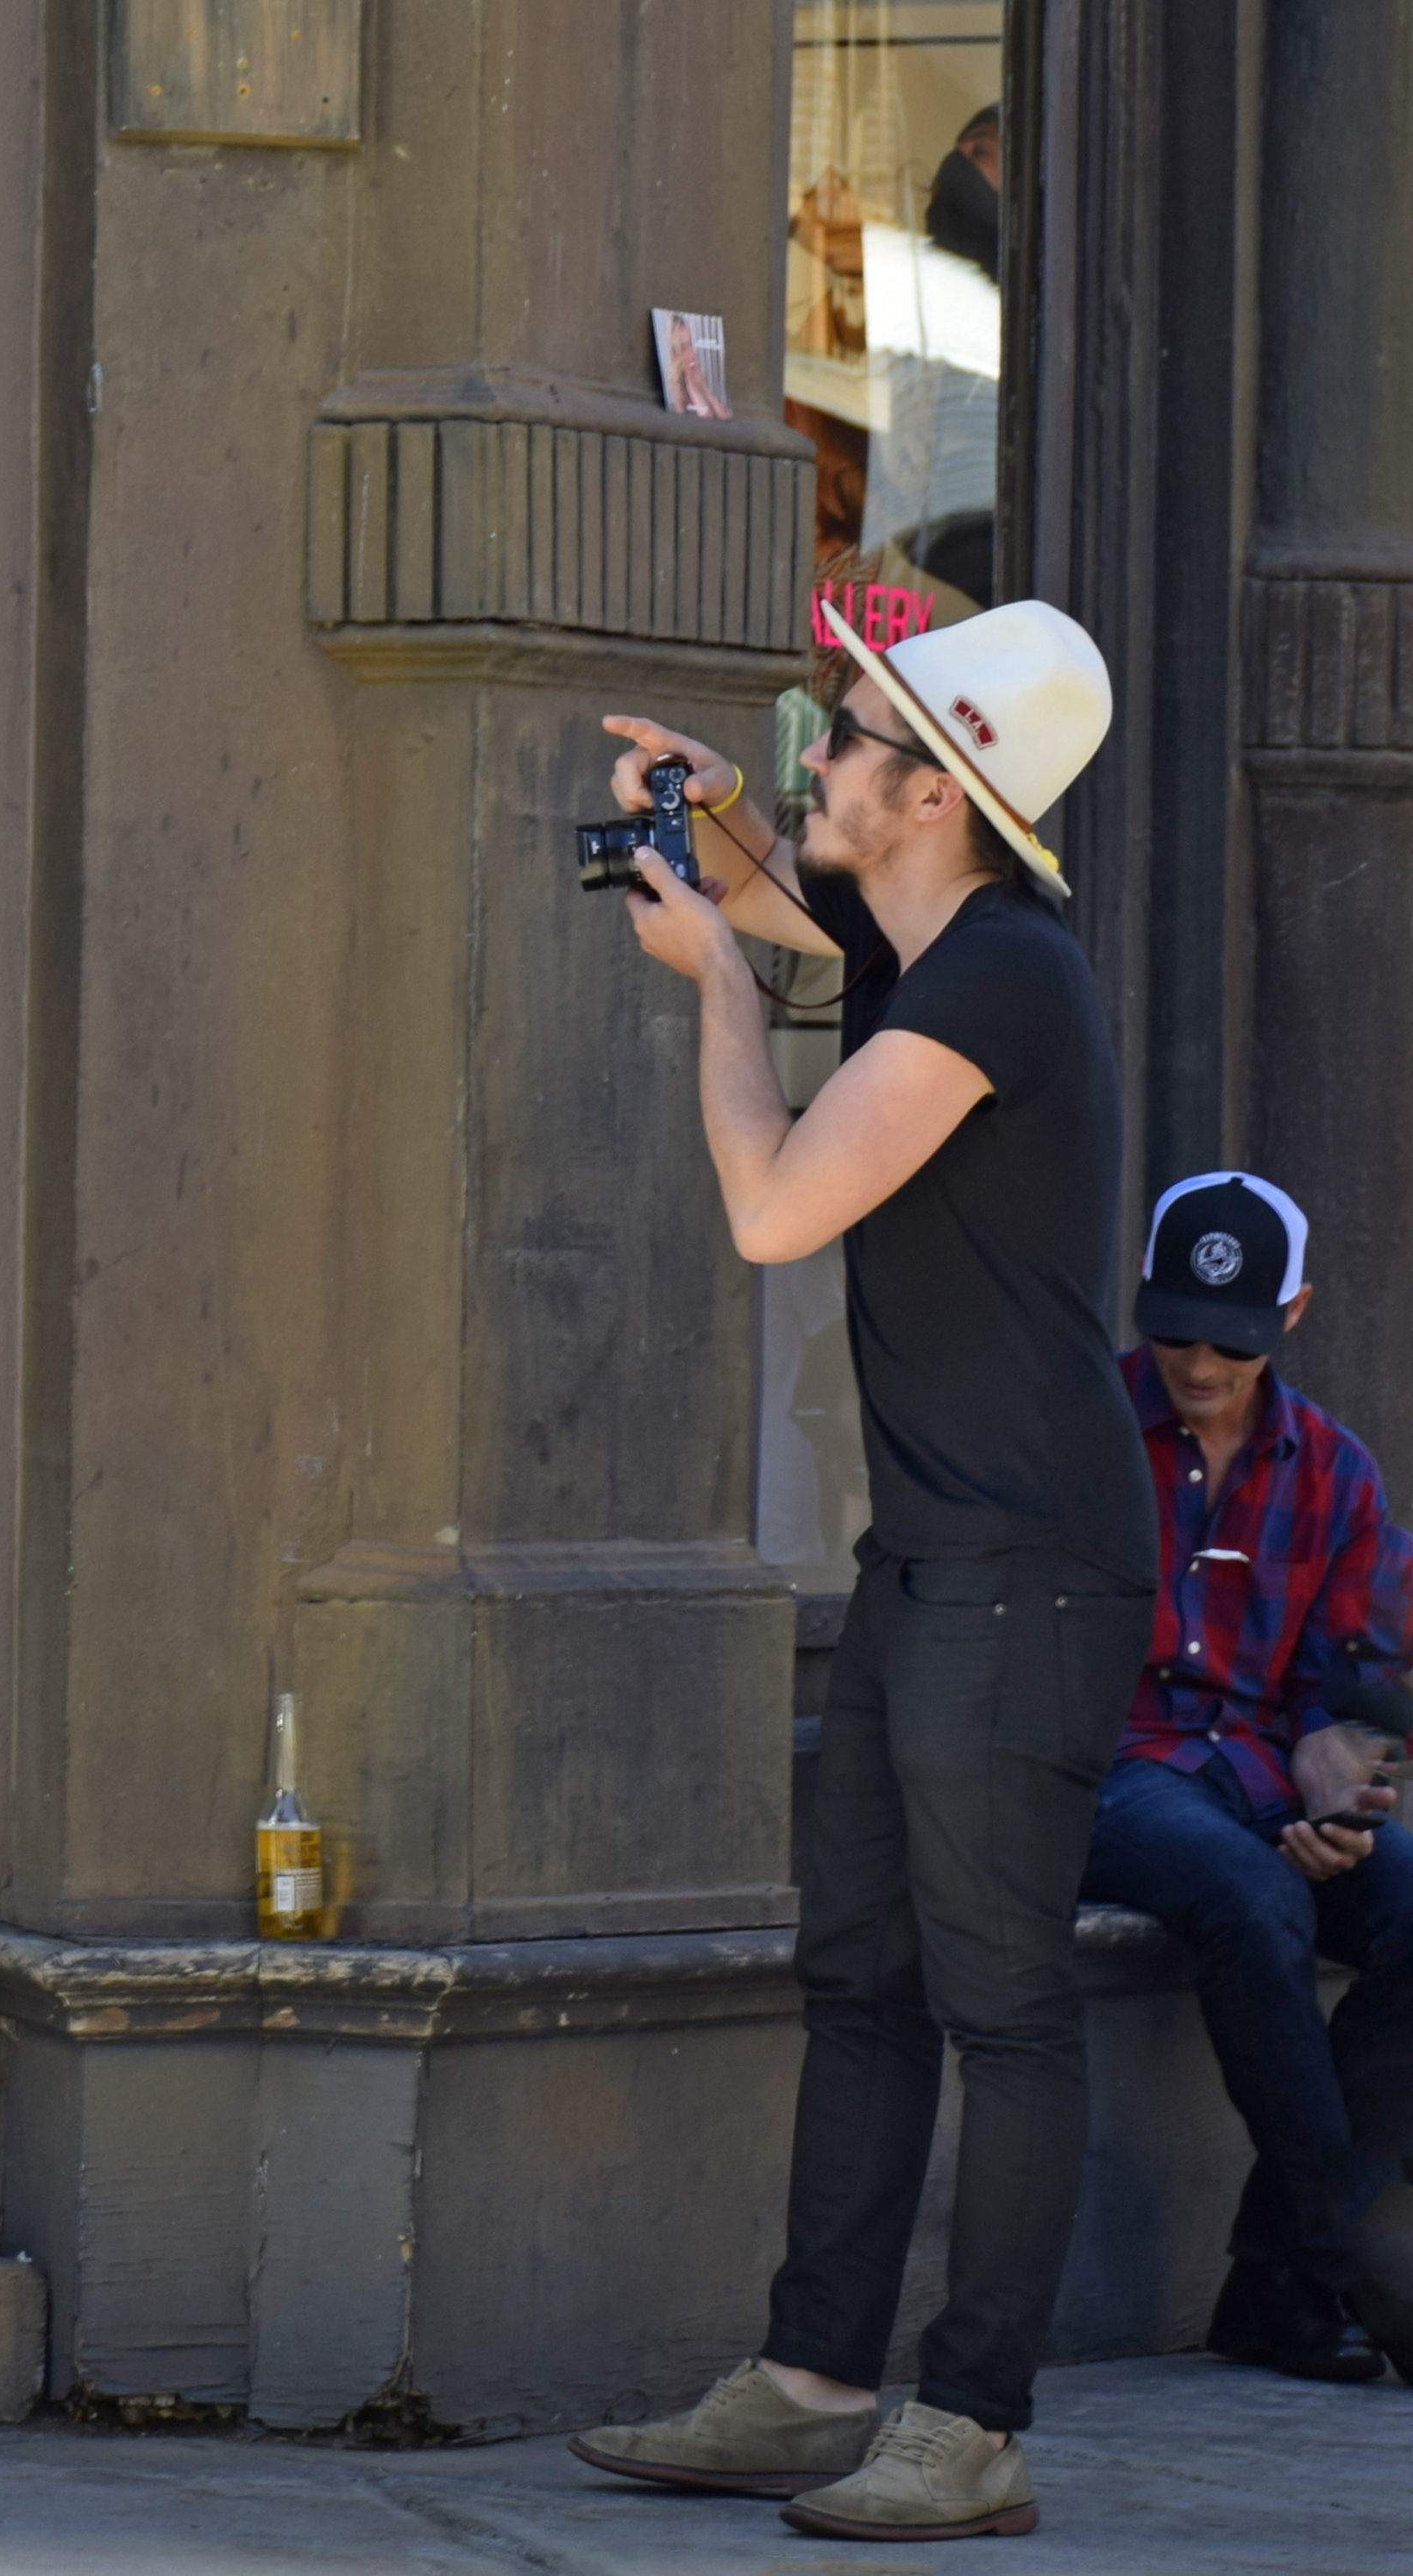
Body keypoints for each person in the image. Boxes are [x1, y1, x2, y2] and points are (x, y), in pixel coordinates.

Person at [568, 597, 1158, 2544]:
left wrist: (720, 996)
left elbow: (773, 1207)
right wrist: (723, 824)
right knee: (863, 1982)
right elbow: (801, 907)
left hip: (1027, 1569)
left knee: (1002, 2005)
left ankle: (970, 2423)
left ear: (936, 795)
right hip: (934, 1558)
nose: (814, 750)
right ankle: (813, 2384)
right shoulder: (940, 942)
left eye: (845, 737)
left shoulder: (1001, 980)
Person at [1080, 1171, 1413, 2385]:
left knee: (1409, 1899)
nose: (1201, 1363)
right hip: (1107, 1770)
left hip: (1265, 1774)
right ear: (1144, 1298)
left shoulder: (1335, 1469)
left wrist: (1344, 1776)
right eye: (1177, 1329)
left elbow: (1366, 1682)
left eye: (1235, 1339)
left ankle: (1279, 2282)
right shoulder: (1077, 1434)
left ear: (1296, 1311)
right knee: (1252, 1896)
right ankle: (1348, 2269)